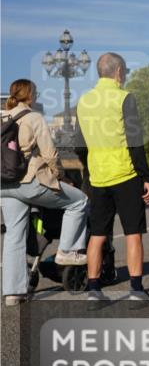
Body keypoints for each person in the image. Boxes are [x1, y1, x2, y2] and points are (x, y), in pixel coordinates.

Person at [74, 53, 149, 303]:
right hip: (125, 174)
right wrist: (146, 176)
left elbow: (79, 145)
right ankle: (136, 290)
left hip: (98, 177)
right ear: (119, 71)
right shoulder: (124, 98)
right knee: (133, 233)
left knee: (97, 235)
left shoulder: (84, 101)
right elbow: (134, 141)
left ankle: (93, 291)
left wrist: (91, 168)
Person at [1, 80, 89, 305]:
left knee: (13, 236)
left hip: (4, 185)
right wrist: (61, 176)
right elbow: (50, 154)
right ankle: (67, 251)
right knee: (79, 202)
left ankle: (13, 293)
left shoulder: (2, 116)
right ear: (31, 95)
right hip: (29, 181)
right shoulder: (34, 117)